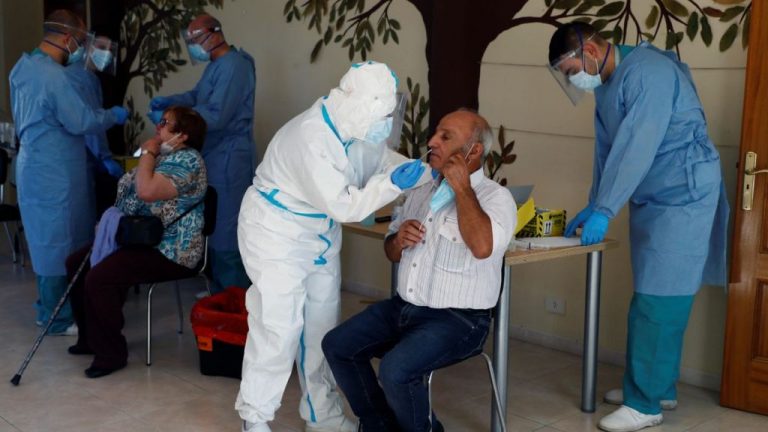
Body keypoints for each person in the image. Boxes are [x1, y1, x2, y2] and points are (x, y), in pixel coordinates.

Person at [547, 22, 729, 432]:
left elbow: (638, 145)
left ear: (590, 48)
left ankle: (645, 404)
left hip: (683, 195)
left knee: (659, 300)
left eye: (572, 68)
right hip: (655, 197)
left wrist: (607, 209)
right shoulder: (608, 85)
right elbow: (607, 149)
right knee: (652, 293)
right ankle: (656, 386)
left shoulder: (649, 72)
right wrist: (595, 203)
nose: (573, 78)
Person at [236, 61, 428, 432]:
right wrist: (392, 185)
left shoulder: (355, 126)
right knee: (278, 326)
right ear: (361, 106)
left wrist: (421, 171)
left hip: (318, 234)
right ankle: (255, 418)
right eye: (383, 115)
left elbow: (381, 158)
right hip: (276, 232)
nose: (385, 124)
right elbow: (345, 206)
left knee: (321, 329)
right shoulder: (310, 137)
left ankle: (321, 415)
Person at [321, 109, 517, 432]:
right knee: (338, 346)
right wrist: (398, 240)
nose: (432, 142)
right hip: (405, 308)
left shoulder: (497, 198)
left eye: (445, 136)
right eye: (435, 134)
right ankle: (378, 424)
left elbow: (483, 247)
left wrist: (462, 189)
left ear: (474, 151)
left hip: (460, 320)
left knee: (396, 370)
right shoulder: (422, 189)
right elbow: (390, 251)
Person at [9, 9, 129, 336]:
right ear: (67, 38)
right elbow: (82, 122)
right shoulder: (54, 77)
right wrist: (111, 116)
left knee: (46, 239)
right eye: (81, 39)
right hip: (54, 171)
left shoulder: (22, 68)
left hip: (34, 166)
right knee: (58, 243)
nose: (81, 47)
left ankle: (47, 310)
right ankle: (57, 319)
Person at [65, 106, 208, 378]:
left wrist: (149, 152)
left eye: (165, 123)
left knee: (100, 277)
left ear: (182, 136)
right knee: (76, 263)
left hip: (170, 250)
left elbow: (146, 191)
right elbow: (126, 195)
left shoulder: (189, 161)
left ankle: (111, 353)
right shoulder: (164, 157)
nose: (158, 126)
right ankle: (89, 338)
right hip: (140, 240)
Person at [148, 14, 255, 292]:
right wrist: (172, 103)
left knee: (226, 233)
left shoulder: (235, 66)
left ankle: (234, 300)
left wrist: (173, 121)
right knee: (212, 226)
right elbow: (197, 97)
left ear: (214, 33)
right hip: (214, 155)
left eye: (196, 39)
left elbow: (216, 115)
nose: (193, 45)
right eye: (190, 41)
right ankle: (217, 291)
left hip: (230, 159)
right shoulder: (215, 66)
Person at [66, 50, 124, 217]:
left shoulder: (91, 79)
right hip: (82, 159)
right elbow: (88, 123)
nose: (106, 53)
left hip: (88, 160)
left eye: (109, 48)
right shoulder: (77, 77)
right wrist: (103, 156)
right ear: (86, 48)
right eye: (100, 46)